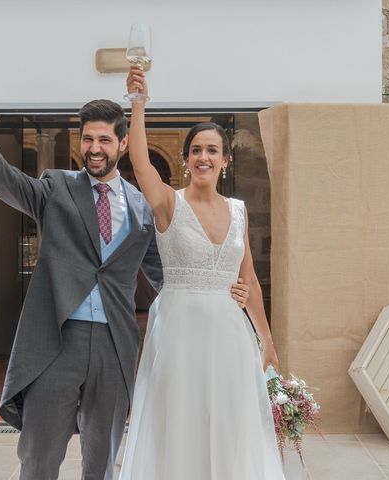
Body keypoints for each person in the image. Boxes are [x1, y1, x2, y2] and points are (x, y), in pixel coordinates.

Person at [0, 73, 251, 480]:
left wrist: (225, 293)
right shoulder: (55, 189)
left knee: (101, 463)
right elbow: (4, 179)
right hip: (56, 342)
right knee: (38, 459)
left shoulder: (144, 210)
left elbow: (173, 274)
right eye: (88, 139)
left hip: (113, 346)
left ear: (123, 143)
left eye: (104, 140)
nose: (94, 148)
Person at [118, 65, 285, 479]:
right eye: (196, 150)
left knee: (231, 425)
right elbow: (139, 162)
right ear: (186, 159)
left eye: (212, 150)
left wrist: (266, 339)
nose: (203, 157)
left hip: (230, 337)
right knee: (180, 424)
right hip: (180, 334)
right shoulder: (168, 204)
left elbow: (250, 282)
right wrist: (138, 103)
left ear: (225, 160)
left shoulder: (239, 211)